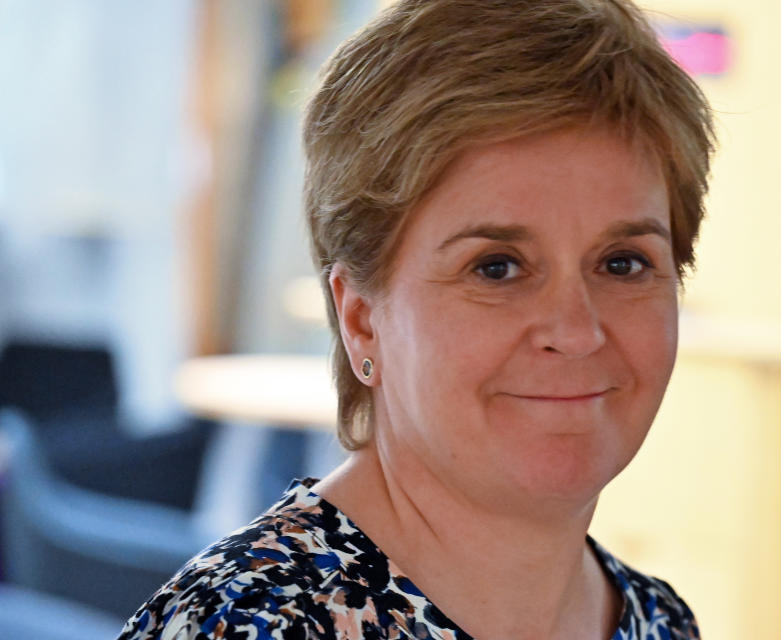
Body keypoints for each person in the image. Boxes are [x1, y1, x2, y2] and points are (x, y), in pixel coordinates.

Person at [118, 0, 714, 638]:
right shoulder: (251, 623)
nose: (576, 331)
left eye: (623, 264)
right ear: (361, 319)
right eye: (497, 267)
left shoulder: (659, 621)